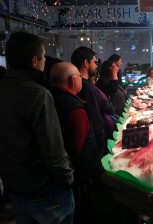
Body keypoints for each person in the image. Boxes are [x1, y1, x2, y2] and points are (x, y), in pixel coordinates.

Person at [0, 31, 74, 223]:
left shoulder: (4, 87)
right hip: (45, 192)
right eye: (43, 57)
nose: (44, 61)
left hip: (14, 188)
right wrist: (67, 179)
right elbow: (52, 147)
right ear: (35, 61)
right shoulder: (38, 93)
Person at [50, 62, 102, 224]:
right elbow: (75, 150)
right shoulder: (75, 107)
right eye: (79, 77)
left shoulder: (50, 97)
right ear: (73, 80)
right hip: (77, 180)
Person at [71, 46, 105, 156]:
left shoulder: (76, 84)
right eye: (94, 62)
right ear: (86, 63)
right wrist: (101, 143)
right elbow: (95, 118)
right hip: (90, 145)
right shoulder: (88, 88)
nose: (96, 66)